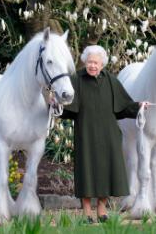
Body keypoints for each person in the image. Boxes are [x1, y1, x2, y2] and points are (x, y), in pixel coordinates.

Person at [59, 45, 148, 223]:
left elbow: (124, 106)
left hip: (109, 135)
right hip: (86, 133)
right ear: (85, 61)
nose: (93, 65)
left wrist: (140, 106)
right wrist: (56, 104)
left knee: (109, 170)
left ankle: (101, 209)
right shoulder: (75, 79)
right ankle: (86, 212)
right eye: (90, 62)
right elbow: (66, 107)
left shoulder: (111, 81)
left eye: (96, 63)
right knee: (86, 171)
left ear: (102, 64)